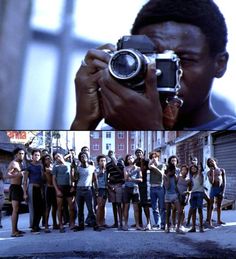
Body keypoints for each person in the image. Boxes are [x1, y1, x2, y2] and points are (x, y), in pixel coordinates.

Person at [71, 0, 236, 130]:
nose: (156, 72)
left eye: (184, 60)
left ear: (220, 64)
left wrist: (148, 130)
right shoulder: (112, 133)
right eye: (149, 58)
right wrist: (84, 121)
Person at [52, 152, 75, 233]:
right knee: (60, 208)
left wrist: (73, 186)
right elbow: (53, 180)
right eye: (56, 158)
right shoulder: (55, 167)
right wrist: (57, 190)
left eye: (58, 156)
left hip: (68, 187)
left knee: (71, 207)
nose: (58, 158)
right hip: (60, 187)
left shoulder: (69, 164)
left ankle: (71, 223)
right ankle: (61, 224)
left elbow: (72, 176)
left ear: (62, 156)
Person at [74, 151, 97, 231]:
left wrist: (96, 190)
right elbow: (75, 179)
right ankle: (81, 225)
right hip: (79, 189)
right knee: (80, 209)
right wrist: (74, 169)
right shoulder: (78, 168)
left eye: (84, 156)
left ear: (87, 158)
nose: (83, 158)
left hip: (88, 189)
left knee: (90, 208)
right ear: (80, 159)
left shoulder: (92, 167)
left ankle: (95, 225)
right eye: (81, 157)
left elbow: (95, 179)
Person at [23, 149, 44, 233]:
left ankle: (37, 225)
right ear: (32, 156)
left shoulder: (41, 166)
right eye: (35, 155)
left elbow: (42, 179)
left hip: (40, 188)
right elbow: (25, 181)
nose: (37, 157)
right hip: (32, 188)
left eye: (38, 155)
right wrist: (25, 193)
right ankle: (33, 226)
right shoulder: (29, 166)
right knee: (33, 208)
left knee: (40, 208)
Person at [6, 147, 25, 237]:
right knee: (15, 210)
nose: (22, 155)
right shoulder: (13, 163)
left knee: (17, 210)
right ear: (16, 154)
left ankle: (16, 229)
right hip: (14, 187)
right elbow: (8, 175)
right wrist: (18, 174)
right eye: (20, 153)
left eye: (23, 154)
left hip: (19, 187)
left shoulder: (21, 163)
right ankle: (13, 232)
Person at [122, 154, 143, 231]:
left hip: (135, 188)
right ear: (127, 161)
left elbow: (141, 179)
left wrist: (133, 180)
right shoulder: (125, 168)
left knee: (136, 208)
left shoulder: (138, 168)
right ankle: (126, 224)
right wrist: (130, 171)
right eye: (128, 158)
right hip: (127, 189)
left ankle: (137, 225)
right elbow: (126, 178)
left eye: (131, 158)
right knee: (126, 207)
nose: (130, 159)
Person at [164, 158, 184, 234]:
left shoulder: (177, 172)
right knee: (168, 212)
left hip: (176, 194)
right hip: (168, 195)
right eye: (172, 161)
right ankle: (167, 227)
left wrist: (176, 177)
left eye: (175, 161)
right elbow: (167, 187)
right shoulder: (166, 174)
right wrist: (168, 176)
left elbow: (178, 183)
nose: (171, 171)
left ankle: (178, 227)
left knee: (179, 211)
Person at [106, 150, 124, 230]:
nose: (111, 155)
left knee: (119, 204)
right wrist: (109, 182)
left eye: (112, 153)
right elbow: (106, 176)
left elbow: (123, 174)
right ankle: (116, 223)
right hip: (111, 185)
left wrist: (115, 166)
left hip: (119, 185)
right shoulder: (108, 165)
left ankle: (121, 223)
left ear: (114, 154)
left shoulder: (120, 163)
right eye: (109, 154)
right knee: (114, 204)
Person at [134, 148, 151, 230]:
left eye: (140, 152)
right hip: (136, 184)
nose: (138, 153)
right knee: (138, 204)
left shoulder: (146, 161)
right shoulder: (134, 162)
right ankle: (139, 222)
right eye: (137, 152)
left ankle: (148, 223)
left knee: (145, 204)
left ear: (142, 153)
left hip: (144, 184)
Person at [148, 150, 166, 230]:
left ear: (158, 157)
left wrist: (155, 167)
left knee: (162, 206)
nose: (154, 159)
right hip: (152, 188)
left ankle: (163, 223)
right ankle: (157, 223)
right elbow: (149, 166)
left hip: (160, 187)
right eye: (152, 157)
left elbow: (161, 174)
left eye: (155, 157)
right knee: (154, 207)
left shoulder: (162, 165)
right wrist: (151, 163)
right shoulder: (150, 166)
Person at [41, 154, 58, 233]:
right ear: (44, 161)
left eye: (49, 158)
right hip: (48, 188)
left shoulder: (54, 167)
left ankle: (55, 223)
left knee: (55, 207)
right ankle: (46, 226)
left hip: (55, 189)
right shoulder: (44, 169)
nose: (49, 160)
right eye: (47, 159)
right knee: (48, 207)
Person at [207, 158, 226, 226]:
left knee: (219, 205)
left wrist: (223, 192)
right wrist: (212, 172)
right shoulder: (209, 172)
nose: (211, 162)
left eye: (212, 161)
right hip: (213, 189)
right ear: (208, 164)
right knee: (211, 206)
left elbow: (224, 182)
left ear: (215, 161)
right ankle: (209, 222)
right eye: (209, 162)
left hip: (220, 189)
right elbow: (211, 182)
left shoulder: (221, 170)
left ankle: (219, 220)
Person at [93, 154, 108, 231]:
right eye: (101, 161)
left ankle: (102, 222)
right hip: (99, 189)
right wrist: (101, 172)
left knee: (103, 206)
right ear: (98, 162)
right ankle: (98, 223)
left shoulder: (107, 169)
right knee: (99, 206)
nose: (103, 162)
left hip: (106, 189)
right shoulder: (96, 169)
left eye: (104, 160)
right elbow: (94, 179)